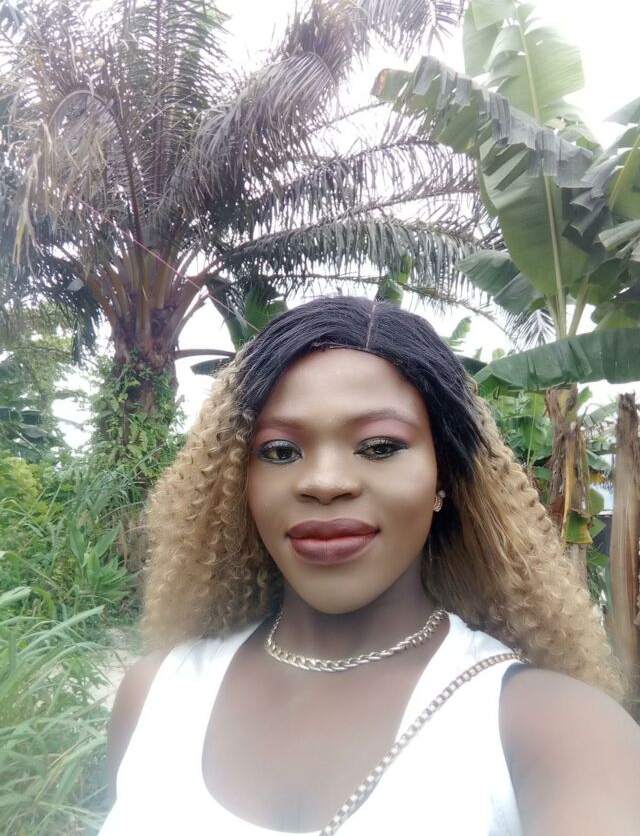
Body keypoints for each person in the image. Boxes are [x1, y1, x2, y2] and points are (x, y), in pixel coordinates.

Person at [101, 295, 640, 835]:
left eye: (379, 446)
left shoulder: (557, 730)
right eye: (281, 451)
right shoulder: (154, 697)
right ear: (237, 482)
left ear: (443, 475)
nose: (324, 482)